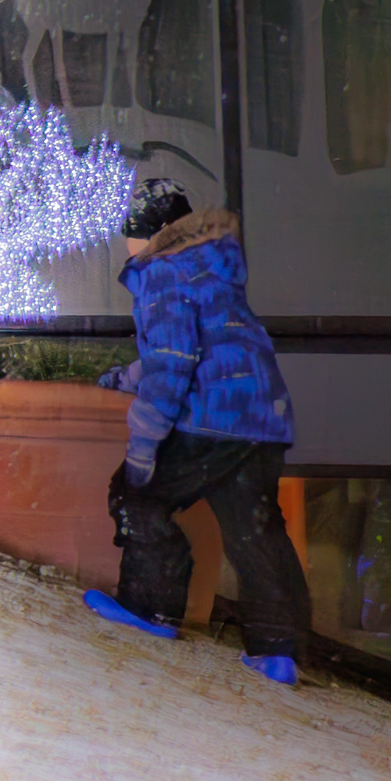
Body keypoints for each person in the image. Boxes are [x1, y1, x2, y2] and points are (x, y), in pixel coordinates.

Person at [83, 180, 310, 682]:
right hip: (260, 416)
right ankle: (277, 651)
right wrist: (129, 376)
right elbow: (205, 340)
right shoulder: (209, 263)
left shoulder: (161, 271)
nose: (128, 248)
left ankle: (151, 608)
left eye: (132, 236)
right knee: (254, 529)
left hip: (209, 419)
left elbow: (173, 365)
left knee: (137, 494)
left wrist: (143, 447)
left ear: (155, 233)